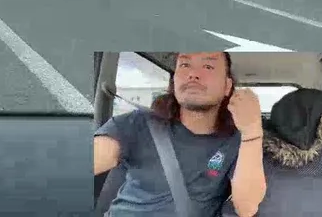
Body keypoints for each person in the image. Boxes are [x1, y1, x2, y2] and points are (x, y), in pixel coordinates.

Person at [94, 52, 266, 217]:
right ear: (174, 80)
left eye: (208, 66)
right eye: (184, 65)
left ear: (227, 86)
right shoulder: (137, 123)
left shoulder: (236, 140)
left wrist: (252, 130)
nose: (193, 74)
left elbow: (246, 208)